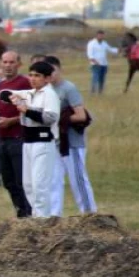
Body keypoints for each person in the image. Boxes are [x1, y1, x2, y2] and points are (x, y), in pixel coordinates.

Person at [2, 61, 61, 218]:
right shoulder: (30, 93)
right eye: (31, 75)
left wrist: (27, 110)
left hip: (42, 142)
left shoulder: (49, 94)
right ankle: (36, 216)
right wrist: (13, 98)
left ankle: (43, 219)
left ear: (47, 78)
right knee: (28, 184)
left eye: (37, 76)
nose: (33, 79)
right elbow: (4, 93)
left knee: (39, 184)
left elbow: (50, 117)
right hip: (27, 142)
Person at [45, 56, 96, 216]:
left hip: (72, 142)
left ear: (59, 69)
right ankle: (54, 216)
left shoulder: (68, 88)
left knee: (78, 180)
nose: (51, 75)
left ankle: (89, 214)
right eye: (47, 72)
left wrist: (59, 118)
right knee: (53, 181)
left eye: (53, 71)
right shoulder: (47, 90)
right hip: (55, 142)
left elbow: (82, 116)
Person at [0, 51, 33, 218]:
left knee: (22, 180)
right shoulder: (0, 85)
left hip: (19, 137)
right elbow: (0, 109)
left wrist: (11, 121)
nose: (8, 65)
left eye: (11, 62)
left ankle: (30, 213)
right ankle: (20, 212)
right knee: (8, 181)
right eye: (5, 62)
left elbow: (30, 110)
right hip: (2, 138)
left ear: (19, 64)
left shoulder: (25, 83)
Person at [86, 30, 118, 94]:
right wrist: (95, 62)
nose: (101, 36)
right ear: (97, 35)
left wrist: (118, 50)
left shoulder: (104, 43)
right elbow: (90, 55)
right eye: (100, 35)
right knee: (95, 78)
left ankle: (100, 92)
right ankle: (92, 92)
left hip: (104, 64)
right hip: (96, 64)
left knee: (102, 79)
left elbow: (110, 49)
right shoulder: (91, 43)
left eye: (102, 35)